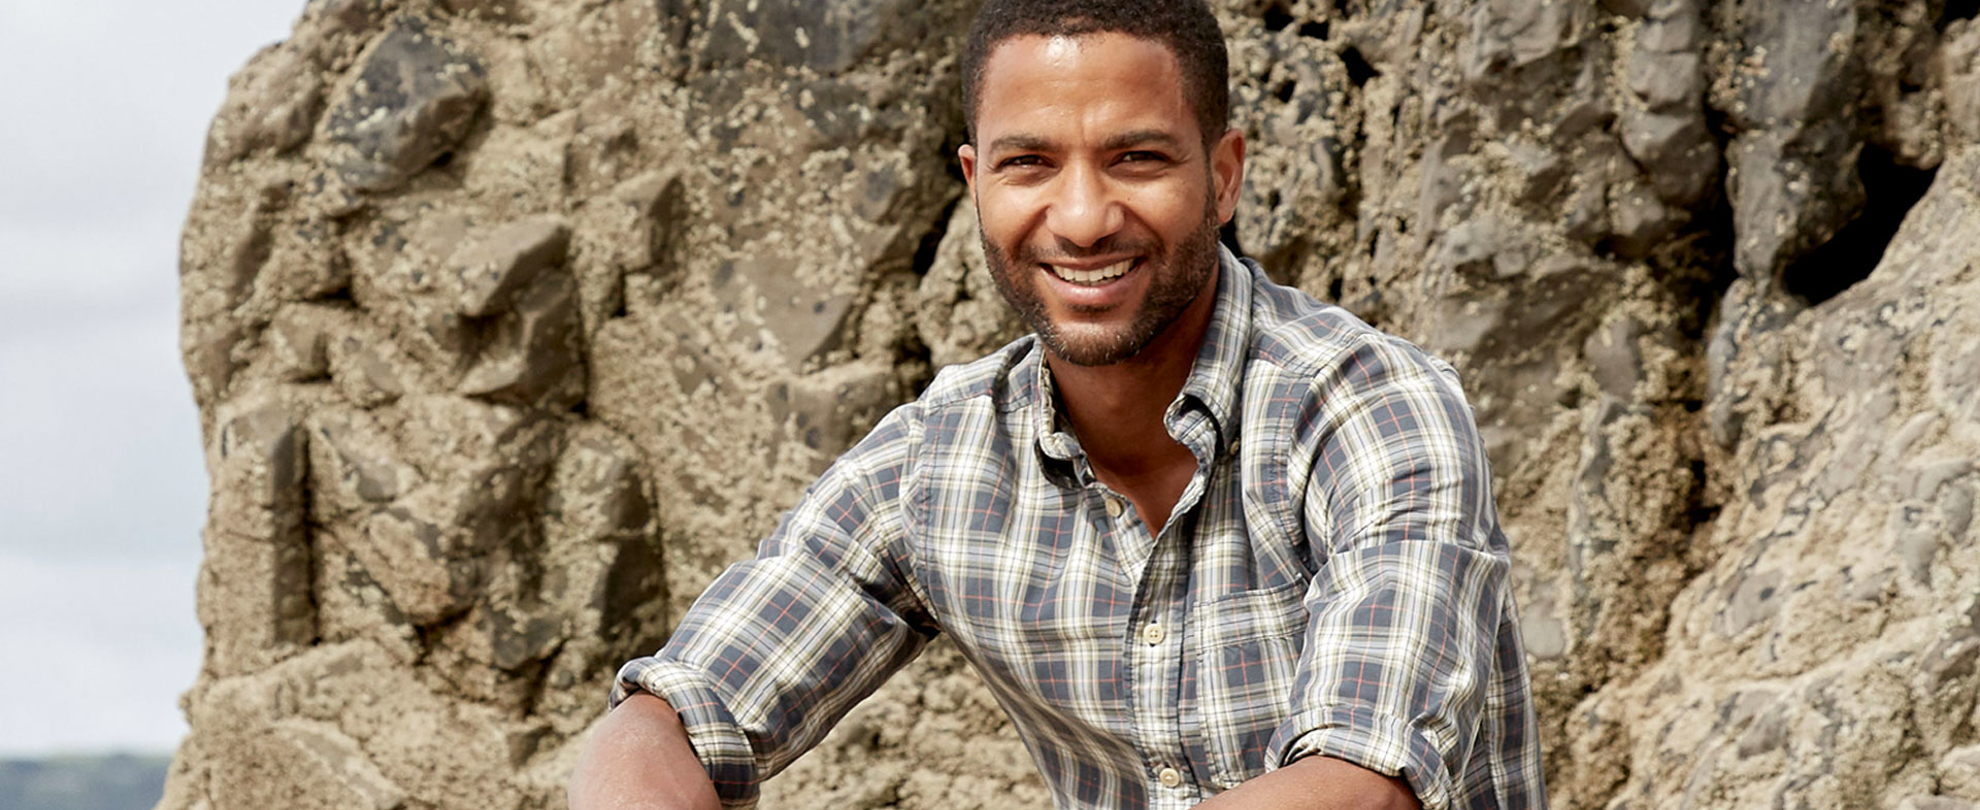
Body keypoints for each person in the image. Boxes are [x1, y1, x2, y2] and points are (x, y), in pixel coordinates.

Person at [567, 1, 1546, 808]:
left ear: (1226, 174)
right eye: (1029, 163)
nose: (1080, 220)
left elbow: (1361, 786)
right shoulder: (939, 462)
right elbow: (667, 716)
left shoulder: (1374, 408)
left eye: (1137, 159)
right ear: (975, 181)